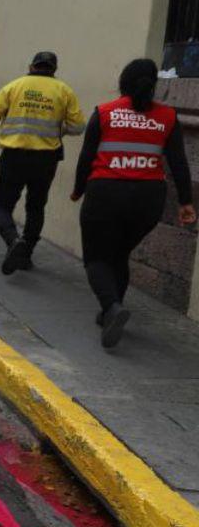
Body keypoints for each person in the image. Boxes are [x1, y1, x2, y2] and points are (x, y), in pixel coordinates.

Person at [72, 58, 196, 348]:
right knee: (118, 255)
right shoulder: (167, 116)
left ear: (123, 82)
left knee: (96, 258)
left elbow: (87, 157)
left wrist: (78, 190)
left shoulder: (105, 112)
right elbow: (178, 162)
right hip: (147, 199)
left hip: (106, 194)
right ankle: (110, 311)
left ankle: (112, 306)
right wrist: (186, 202)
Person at [0, 51, 85, 274]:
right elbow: (78, 126)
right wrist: (58, 130)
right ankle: (26, 255)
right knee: (36, 207)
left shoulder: (14, 87)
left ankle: (13, 241)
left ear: (32, 66)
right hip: (46, 159)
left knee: (2, 206)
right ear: (54, 69)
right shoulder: (64, 91)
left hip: (14, 156)